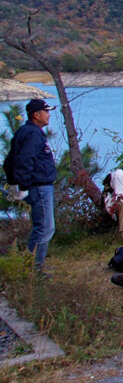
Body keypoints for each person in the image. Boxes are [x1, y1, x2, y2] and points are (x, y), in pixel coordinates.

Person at [6, 99, 58, 271]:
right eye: (46, 111)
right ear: (36, 115)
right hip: (39, 187)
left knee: (43, 227)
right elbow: (24, 160)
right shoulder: (32, 134)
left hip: (39, 186)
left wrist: (14, 182)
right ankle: (33, 270)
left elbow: (9, 160)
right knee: (45, 228)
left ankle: (35, 265)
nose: (49, 115)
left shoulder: (25, 131)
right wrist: (23, 185)